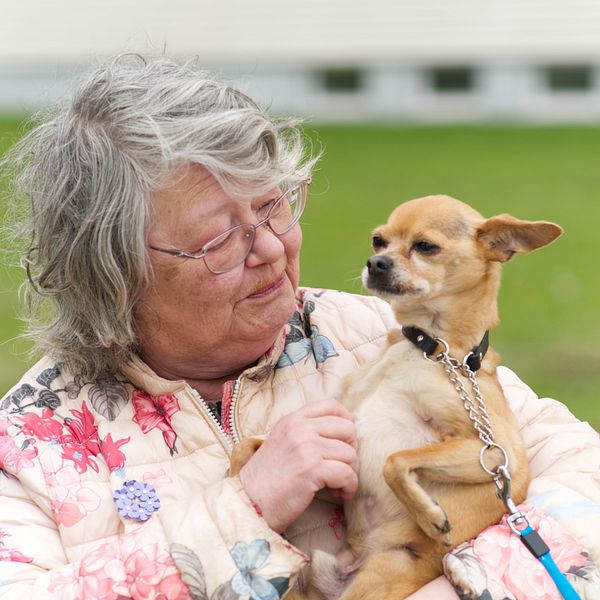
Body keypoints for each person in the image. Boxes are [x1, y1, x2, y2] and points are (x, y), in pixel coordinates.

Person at [0, 55, 598, 600]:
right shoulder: (33, 442)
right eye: (217, 239)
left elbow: (580, 477)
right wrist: (246, 508)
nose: (268, 246)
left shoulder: (381, 333)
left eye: (272, 205)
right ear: (112, 272)